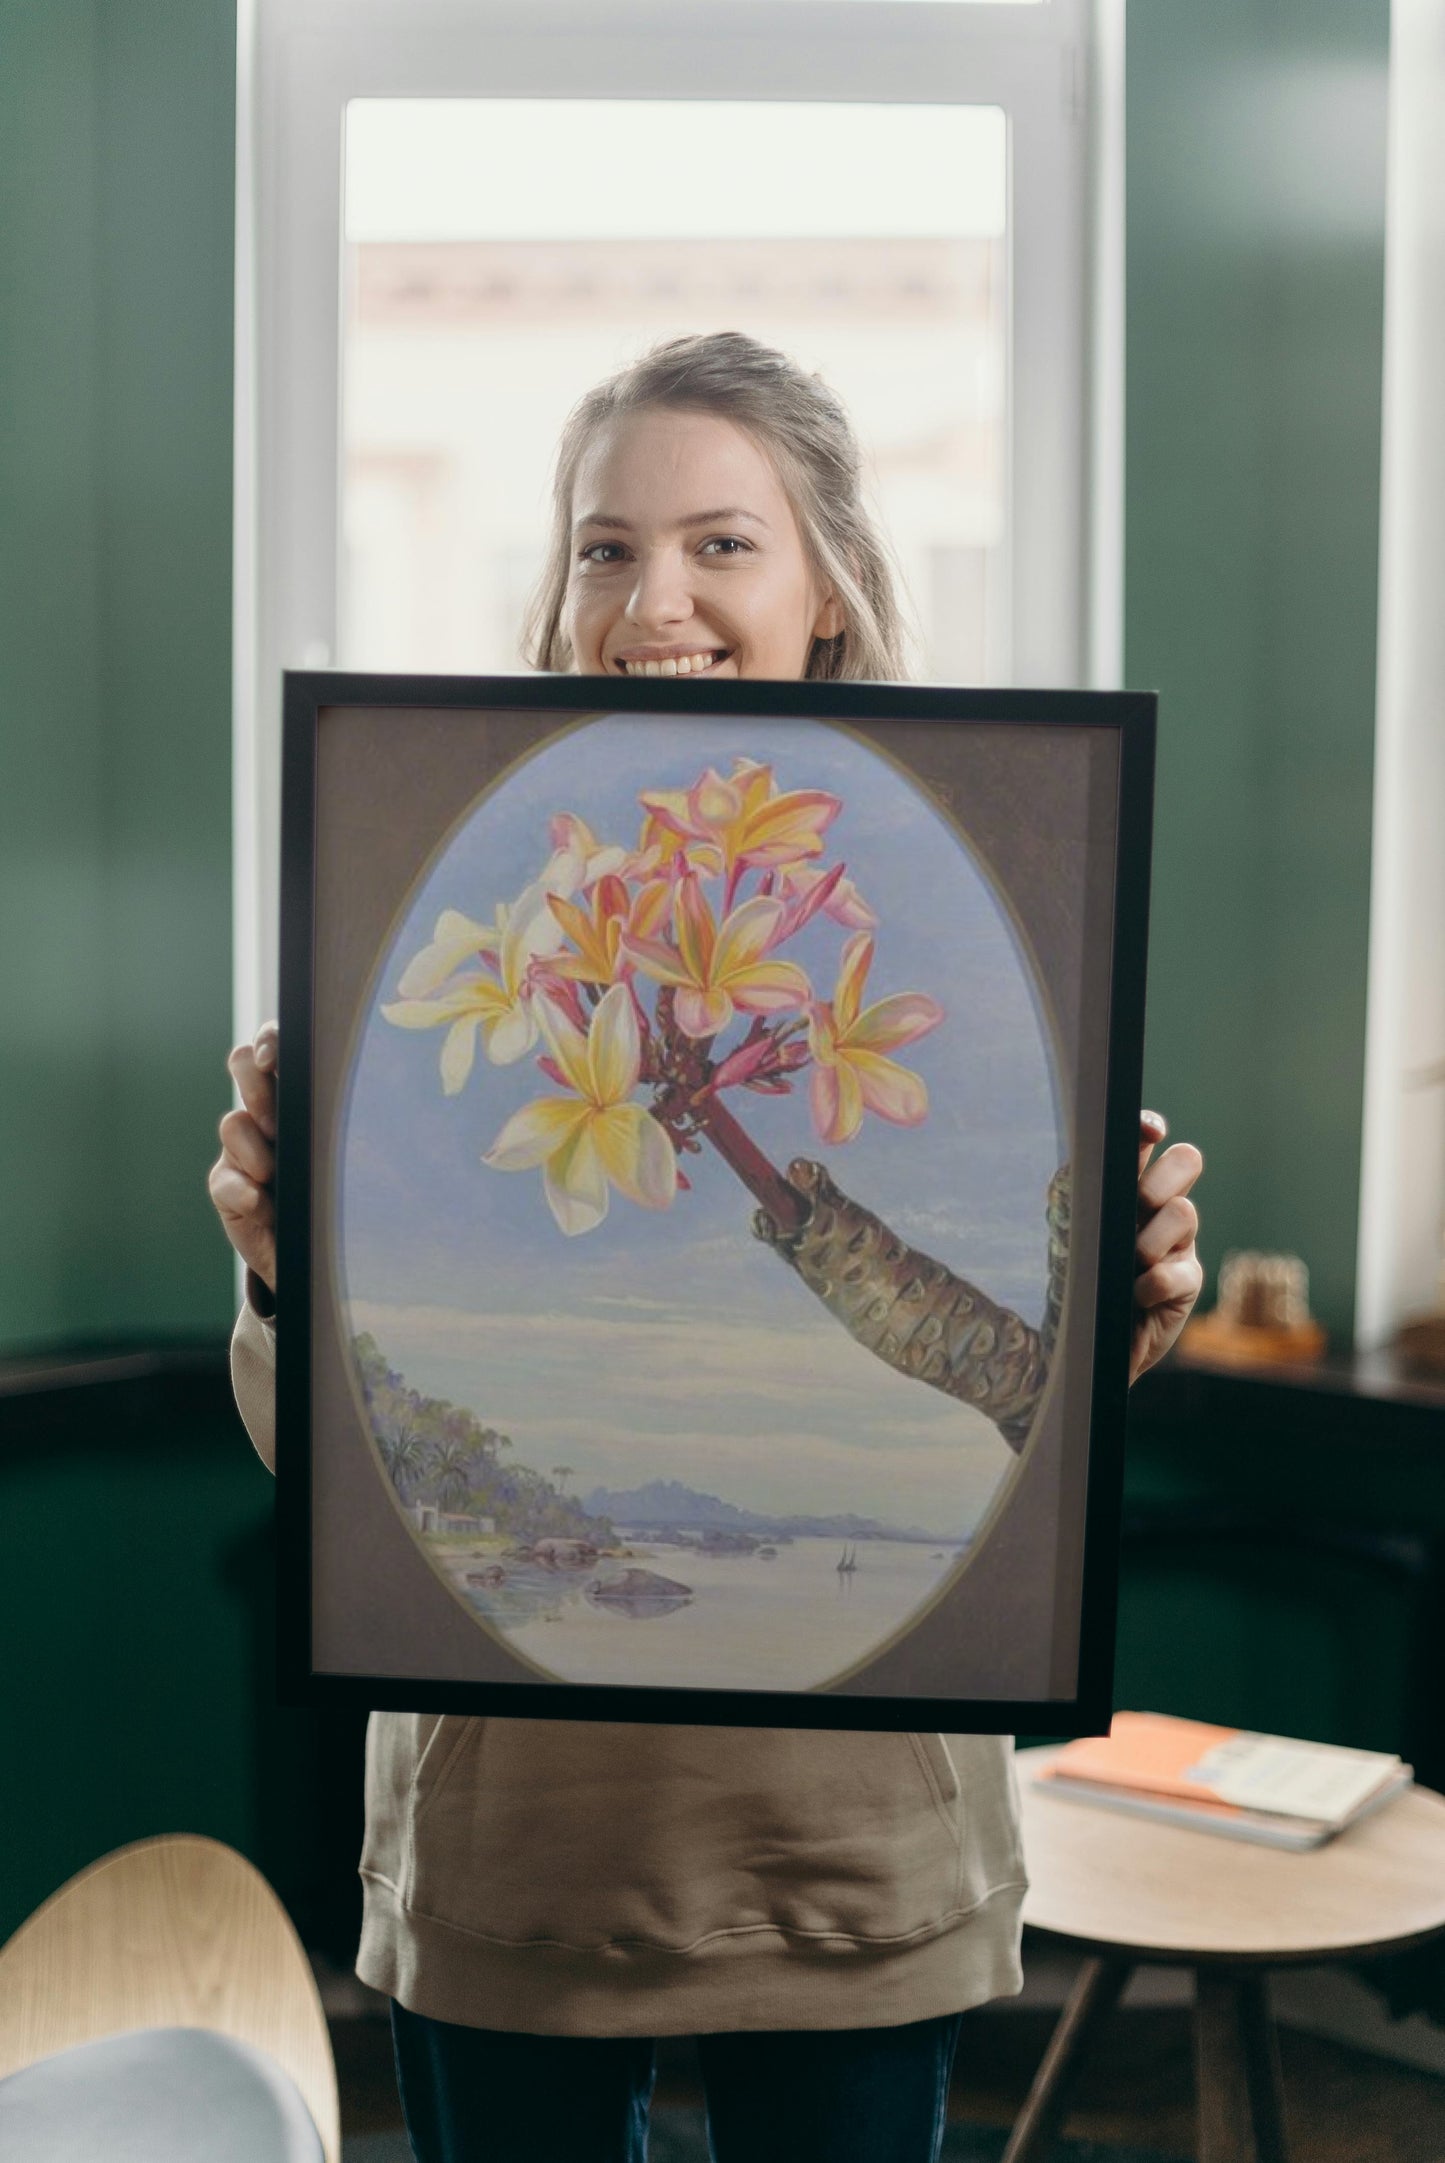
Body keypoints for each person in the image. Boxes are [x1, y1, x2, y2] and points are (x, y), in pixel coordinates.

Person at [210, 333, 1204, 2163]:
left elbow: (1029, 1409)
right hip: (515, 1847)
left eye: (719, 545)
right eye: (603, 547)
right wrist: (281, 1271)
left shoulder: (973, 905)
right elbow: (336, 1462)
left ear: (826, 586)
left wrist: (1123, 1313)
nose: (650, 598)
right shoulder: (434, 873)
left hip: (852, 1848)